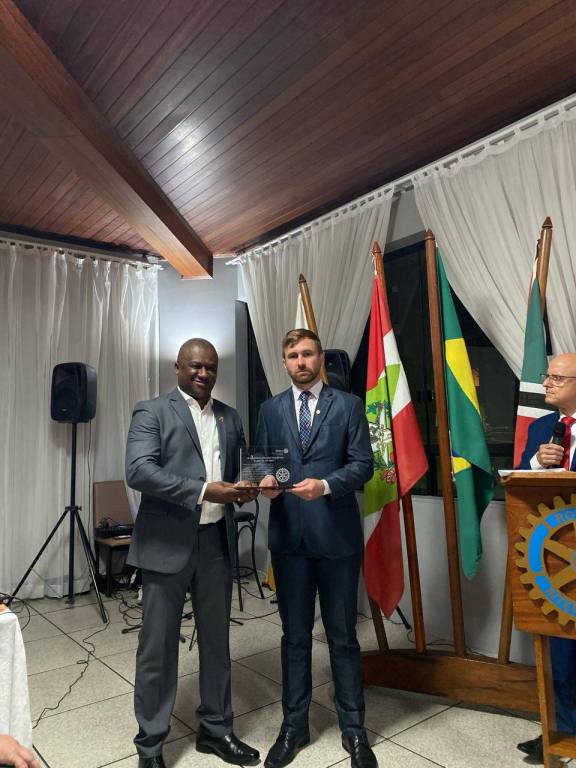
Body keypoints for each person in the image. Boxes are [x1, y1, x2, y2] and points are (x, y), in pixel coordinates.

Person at [125, 338, 259, 768]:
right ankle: (150, 746)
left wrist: (250, 486)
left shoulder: (229, 416)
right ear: (178, 367)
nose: (203, 373)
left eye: (211, 367)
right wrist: (203, 491)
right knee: (158, 648)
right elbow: (139, 470)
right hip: (165, 545)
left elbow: (238, 472)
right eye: (195, 366)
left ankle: (216, 730)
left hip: (216, 542)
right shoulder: (152, 411)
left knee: (217, 643)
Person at [257, 329, 377, 768]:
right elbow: (264, 464)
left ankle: (354, 730)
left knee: (343, 637)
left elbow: (363, 465)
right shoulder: (270, 409)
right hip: (289, 540)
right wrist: (265, 483)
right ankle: (294, 727)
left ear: (320, 358)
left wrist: (325, 485)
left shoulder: (348, 406)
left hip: (336, 538)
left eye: (307, 353)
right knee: (294, 637)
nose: (301, 362)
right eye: (293, 355)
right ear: (284, 362)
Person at [516, 353, 576, 763]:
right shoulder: (542, 428)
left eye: (557, 378)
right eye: (547, 376)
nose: (547, 383)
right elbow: (520, 478)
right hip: (555, 560)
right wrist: (538, 462)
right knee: (561, 652)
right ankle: (563, 731)